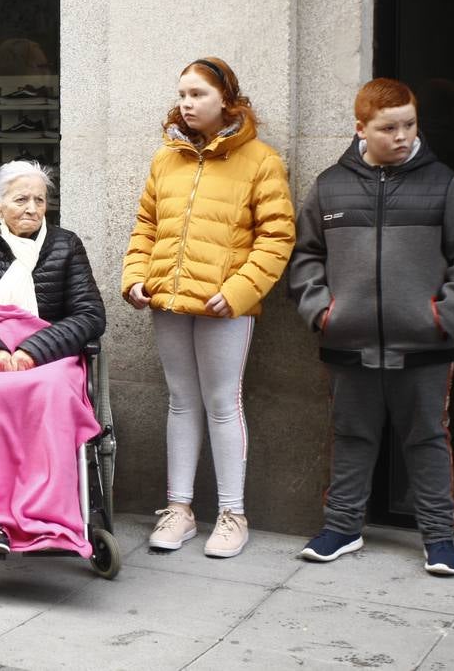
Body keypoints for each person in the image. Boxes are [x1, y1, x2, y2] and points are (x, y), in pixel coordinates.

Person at [288, 78, 454, 576]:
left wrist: (447, 313)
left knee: (426, 438)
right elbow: (305, 256)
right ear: (362, 128)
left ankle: (439, 537)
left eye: (409, 125)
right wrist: (322, 312)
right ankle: (342, 527)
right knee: (350, 436)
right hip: (348, 342)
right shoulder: (331, 184)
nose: (401, 136)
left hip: (424, 344)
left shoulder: (442, 183)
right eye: (388, 127)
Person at [121, 56, 295, 559]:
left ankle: (233, 514)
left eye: (197, 94)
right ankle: (179, 510)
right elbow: (146, 227)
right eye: (182, 94)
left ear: (227, 101)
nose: (186, 103)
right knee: (180, 400)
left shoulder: (260, 160)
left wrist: (240, 292)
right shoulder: (166, 159)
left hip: (224, 307)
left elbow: (277, 237)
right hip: (168, 302)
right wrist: (136, 278)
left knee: (223, 403)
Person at [0, 161, 105, 588]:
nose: (32, 208)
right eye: (21, 198)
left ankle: (48, 520)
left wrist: (33, 350)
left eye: (40, 200)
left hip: (47, 356)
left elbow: (89, 314)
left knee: (50, 394)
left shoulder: (66, 246)